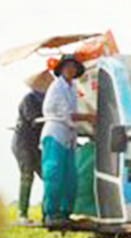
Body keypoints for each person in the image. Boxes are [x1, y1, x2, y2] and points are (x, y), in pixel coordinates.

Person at [40, 54, 95, 225]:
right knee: (54, 174)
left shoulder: (72, 88)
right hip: (56, 132)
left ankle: (64, 213)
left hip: (68, 135)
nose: (71, 70)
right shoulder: (57, 87)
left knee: (70, 176)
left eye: (74, 67)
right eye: (68, 66)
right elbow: (66, 113)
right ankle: (50, 213)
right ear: (61, 69)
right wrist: (89, 117)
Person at [11, 72, 49, 220]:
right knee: (27, 175)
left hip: (36, 144)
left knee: (48, 176)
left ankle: (47, 212)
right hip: (23, 143)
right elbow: (34, 119)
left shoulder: (46, 100)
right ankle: (22, 213)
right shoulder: (29, 100)